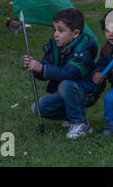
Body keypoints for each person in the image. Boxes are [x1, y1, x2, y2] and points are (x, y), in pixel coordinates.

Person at [24, 8, 105, 139]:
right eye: (55, 29)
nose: (56, 34)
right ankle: (73, 116)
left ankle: (80, 123)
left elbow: (70, 73)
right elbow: (45, 72)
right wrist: (35, 68)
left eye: (60, 31)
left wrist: (42, 68)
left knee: (66, 84)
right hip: (68, 92)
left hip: (87, 92)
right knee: (38, 108)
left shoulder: (84, 50)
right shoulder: (55, 47)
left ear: (75, 33)